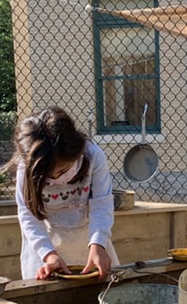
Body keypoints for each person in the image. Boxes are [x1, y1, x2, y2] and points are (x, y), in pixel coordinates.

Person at [9, 106, 119, 280]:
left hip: (89, 246)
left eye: (62, 171)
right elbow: (28, 216)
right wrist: (49, 255)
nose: (55, 178)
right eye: (48, 175)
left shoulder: (93, 156)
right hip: (44, 251)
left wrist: (98, 244)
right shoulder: (26, 167)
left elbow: (102, 205)